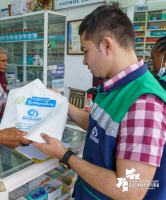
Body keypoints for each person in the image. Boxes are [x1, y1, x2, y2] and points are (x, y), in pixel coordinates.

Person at [34, 2, 166, 200]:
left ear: (107, 45)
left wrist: (65, 155)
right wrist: (62, 102)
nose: (84, 61)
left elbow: (130, 191)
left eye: (85, 51)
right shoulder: (114, 87)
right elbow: (97, 126)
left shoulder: (144, 102)